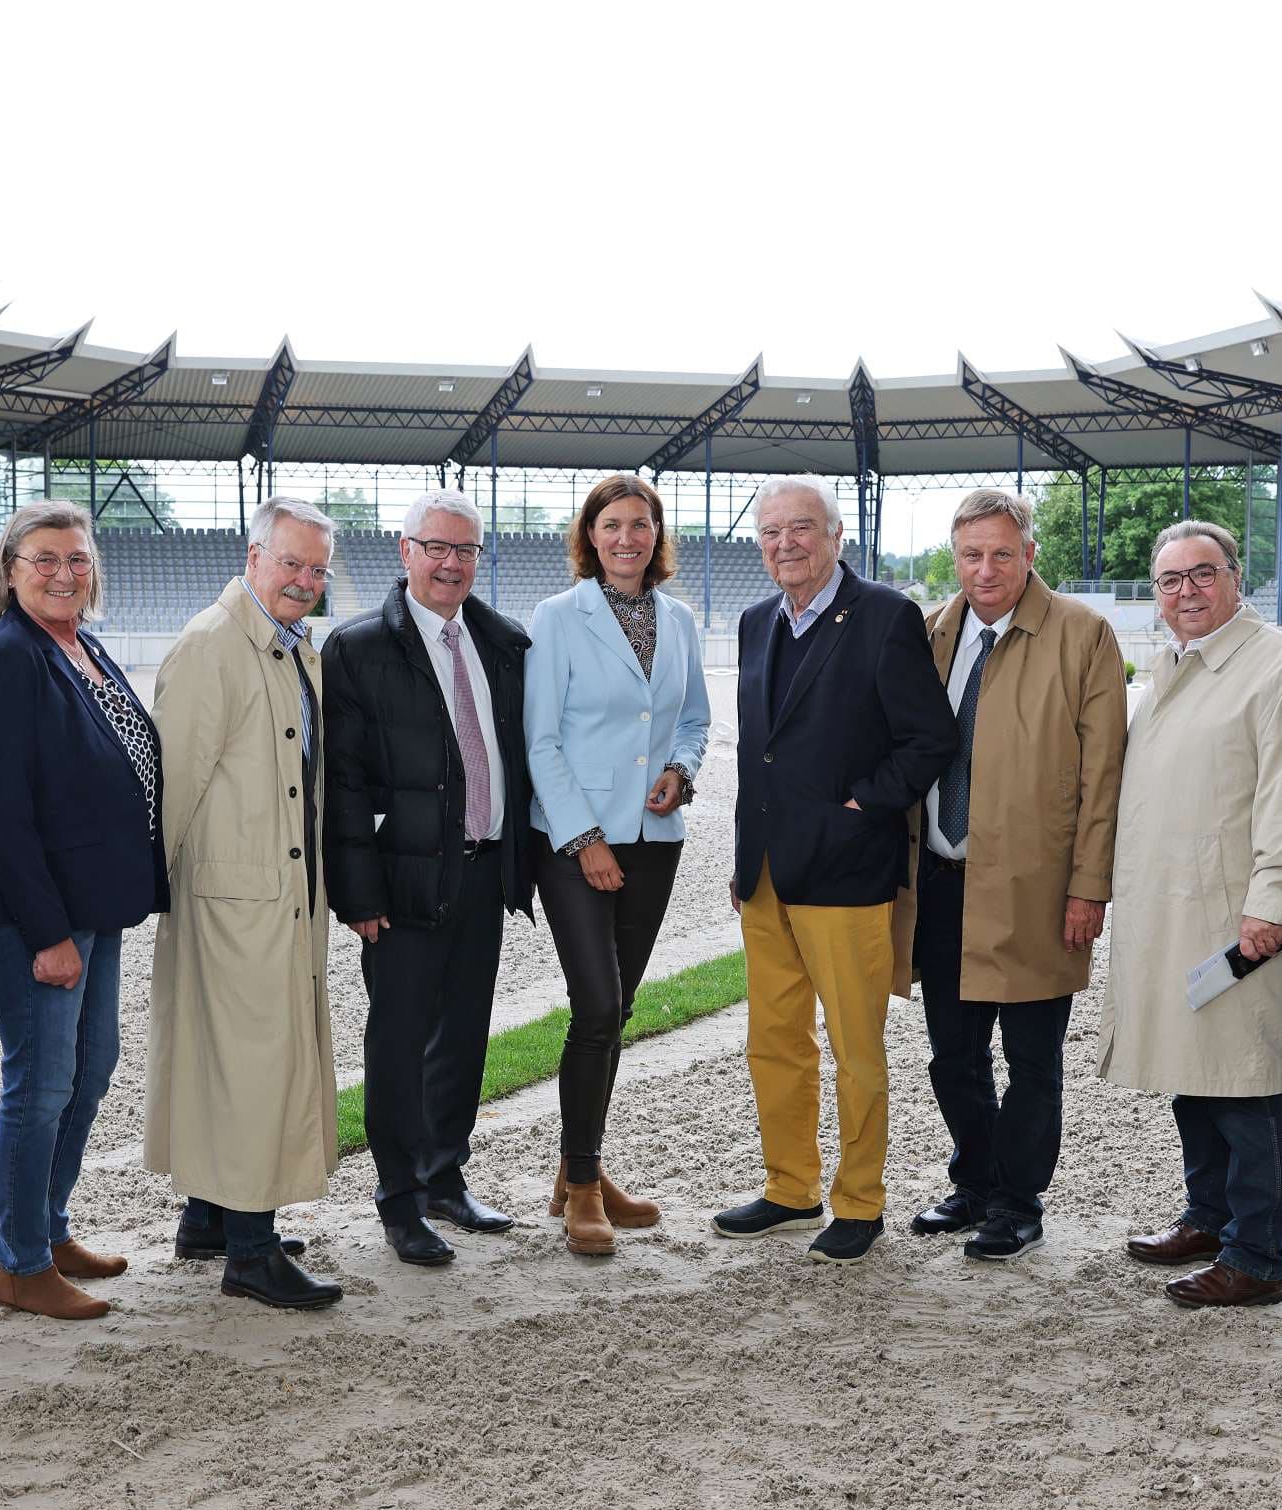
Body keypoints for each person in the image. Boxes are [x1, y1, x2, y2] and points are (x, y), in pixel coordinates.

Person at [716, 474, 957, 1264]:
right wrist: (747, 851)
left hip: (848, 872)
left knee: (856, 1048)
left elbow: (929, 740)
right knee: (774, 1041)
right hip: (767, 874)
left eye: (802, 528)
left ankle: (860, 1201)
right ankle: (791, 1186)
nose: (785, 543)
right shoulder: (756, 623)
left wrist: (864, 804)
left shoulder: (886, 616)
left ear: (836, 536)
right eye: (771, 531)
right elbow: (765, 752)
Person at [1105, 520, 1282, 1308]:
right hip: (1172, 907)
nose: (1186, 592)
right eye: (1170, 580)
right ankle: (1209, 1213)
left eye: (1203, 574)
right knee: (1191, 1074)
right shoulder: (1174, 662)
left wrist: (1271, 904)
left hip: (1236, 911)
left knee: (1242, 1082)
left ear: (1236, 577)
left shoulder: (1281, 666)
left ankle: (1259, 1253)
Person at [0, 501, 167, 1321]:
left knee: (92, 1067)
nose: (62, 572)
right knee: (41, 1085)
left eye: (76, 559)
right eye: (43, 559)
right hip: (40, 917)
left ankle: (49, 1225)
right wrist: (47, 934)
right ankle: (19, 1262)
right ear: (9, 570)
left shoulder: (81, 646)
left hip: (96, 905)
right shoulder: (6, 660)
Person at [907, 489, 1126, 1262]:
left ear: (1031, 553)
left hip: (1035, 886)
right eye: (972, 554)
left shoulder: (1084, 634)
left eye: (1003, 552)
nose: (986, 568)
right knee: (952, 1053)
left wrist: (1088, 886)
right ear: (955, 556)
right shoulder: (933, 631)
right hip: (941, 878)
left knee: (1032, 1058)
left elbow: (1104, 776)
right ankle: (973, 1180)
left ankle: (1018, 1196)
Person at [324, 487, 534, 1266]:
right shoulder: (358, 647)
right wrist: (359, 893)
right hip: (404, 883)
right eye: (435, 547)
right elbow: (341, 785)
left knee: (464, 1037)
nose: (450, 563)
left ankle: (446, 1175)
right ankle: (400, 1198)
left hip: (482, 871)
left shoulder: (504, 641)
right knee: (400, 1041)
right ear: (404, 551)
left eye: (465, 550)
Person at [147, 498, 344, 1310]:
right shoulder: (212, 645)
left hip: (278, 890)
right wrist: (158, 898)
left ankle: (209, 1218)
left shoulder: (295, 647)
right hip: (232, 900)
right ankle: (252, 1251)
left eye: (318, 569)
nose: (304, 580)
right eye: (291, 563)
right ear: (253, 555)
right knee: (253, 1068)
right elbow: (172, 790)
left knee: (244, 1063)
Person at [523, 473, 710, 1255]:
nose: (627, 537)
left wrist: (682, 768)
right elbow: (540, 740)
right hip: (576, 842)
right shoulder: (557, 618)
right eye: (612, 524)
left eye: (641, 523)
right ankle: (582, 1190)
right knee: (597, 1005)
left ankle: (581, 1167)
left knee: (620, 1007)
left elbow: (694, 717)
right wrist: (585, 838)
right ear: (590, 536)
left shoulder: (682, 620)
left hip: (654, 839)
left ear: (656, 535)